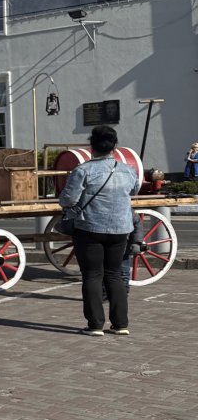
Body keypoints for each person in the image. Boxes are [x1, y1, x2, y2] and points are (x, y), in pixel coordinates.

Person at [59, 125, 140, 336]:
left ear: (91, 147)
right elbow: (134, 190)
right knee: (114, 274)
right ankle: (121, 324)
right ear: (114, 146)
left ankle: (95, 325)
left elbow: (68, 199)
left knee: (93, 275)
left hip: (90, 227)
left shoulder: (83, 170)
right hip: (121, 228)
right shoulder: (127, 170)